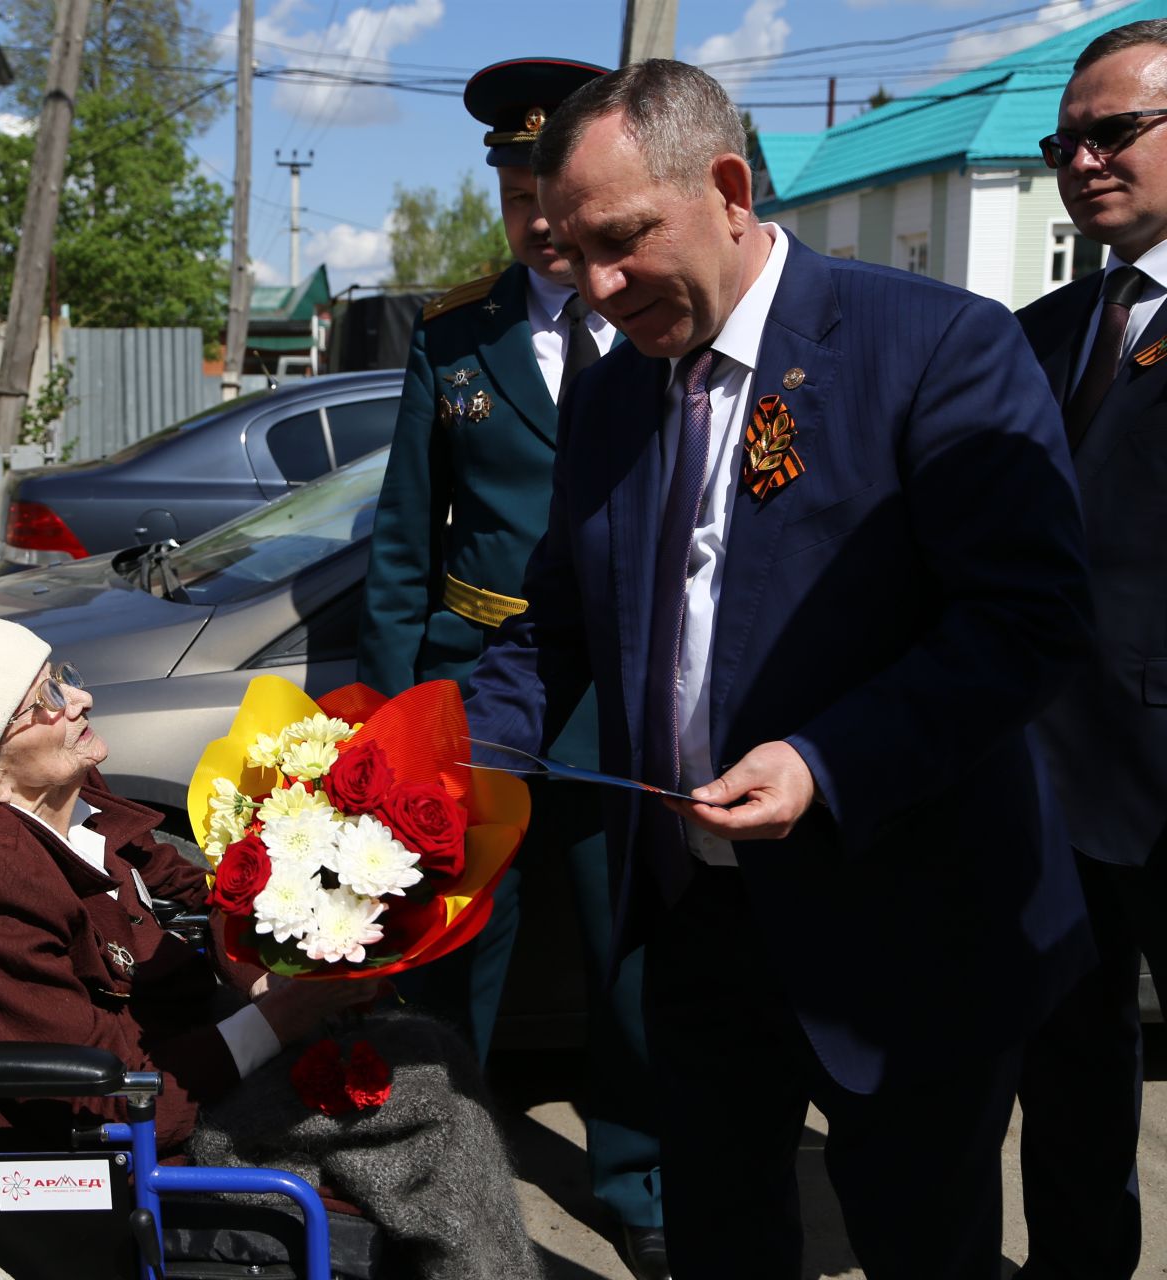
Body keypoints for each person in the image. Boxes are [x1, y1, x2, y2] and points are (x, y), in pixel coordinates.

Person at [465, 59, 1096, 1277]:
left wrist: (823, 758)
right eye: (572, 252)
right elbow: (554, 633)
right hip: (700, 930)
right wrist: (441, 771)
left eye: (621, 241)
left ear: (729, 185)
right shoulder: (610, 395)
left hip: (906, 931)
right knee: (723, 1242)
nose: (595, 289)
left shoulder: (933, 346)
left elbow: (1026, 618)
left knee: (924, 1244)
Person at [0, 618, 541, 1280]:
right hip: (105, 1143)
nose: (80, 698)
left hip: (174, 1050)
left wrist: (272, 921)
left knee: (413, 1044)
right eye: (46, 701)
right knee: (429, 1098)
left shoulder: (59, 792)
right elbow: (103, 1097)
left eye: (62, 675)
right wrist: (283, 1017)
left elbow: (173, 879)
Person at [357, 55, 666, 1278]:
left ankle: (638, 1177)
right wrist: (391, 724)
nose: (539, 217)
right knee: (450, 961)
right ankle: (443, 1165)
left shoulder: (653, 322)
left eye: (554, 185)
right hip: (470, 688)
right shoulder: (459, 334)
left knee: (622, 957)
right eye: (515, 189)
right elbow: (400, 544)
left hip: (619, 706)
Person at [1013, 20, 1167, 1279]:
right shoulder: (1042, 327)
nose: (1083, 160)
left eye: (1114, 132)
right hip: (1054, 790)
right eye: (1066, 139)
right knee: (1068, 1091)